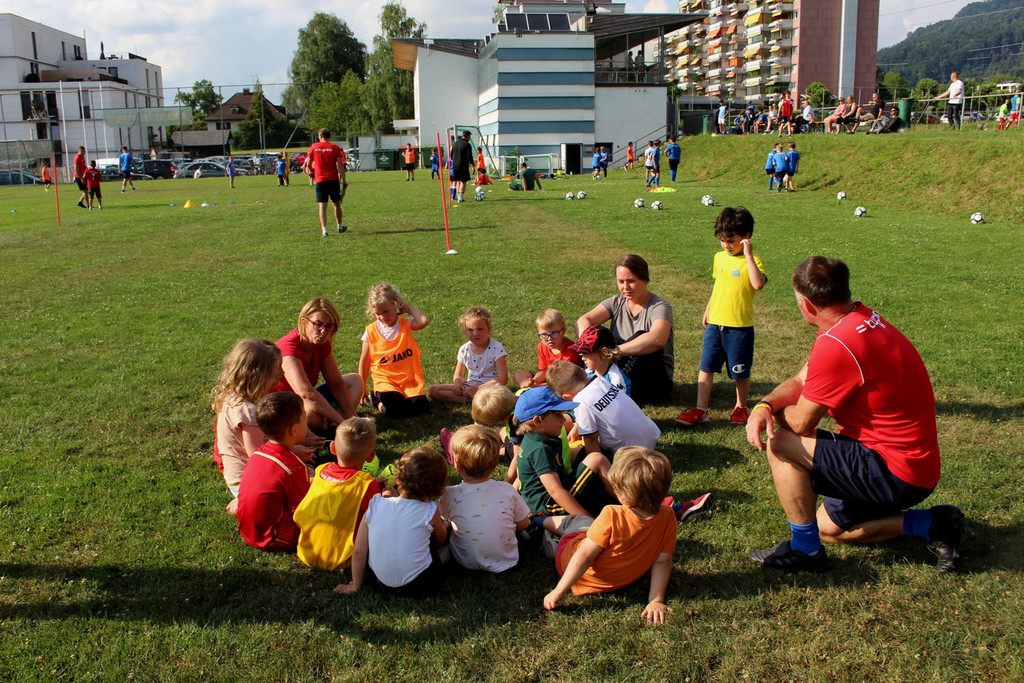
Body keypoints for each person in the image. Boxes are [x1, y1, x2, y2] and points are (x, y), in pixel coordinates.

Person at [745, 255, 963, 573]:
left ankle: (806, 553)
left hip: (894, 469)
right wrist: (765, 405)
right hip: (915, 465)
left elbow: (802, 423)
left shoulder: (839, 344)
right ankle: (932, 522)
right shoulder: (858, 319)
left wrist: (770, 418)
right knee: (827, 529)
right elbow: (801, 380)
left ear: (806, 304)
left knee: (781, 442)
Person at [540, 446, 677, 623]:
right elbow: (663, 560)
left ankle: (538, 523)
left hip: (573, 567)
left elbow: (584, 557)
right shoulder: (668, 516)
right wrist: (656, 600)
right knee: (589, 529)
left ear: (621, 494)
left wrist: (558, 591)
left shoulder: (612, 514)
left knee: (579, 521)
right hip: (622, 580)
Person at [675, 207, 766, 428]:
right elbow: (719, 285)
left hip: (740, 327)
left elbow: (758, 284)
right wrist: (709, 308)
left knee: (739, 372)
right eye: (722, 240)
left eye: (731, 240)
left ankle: (740, 407)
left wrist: (747, 256)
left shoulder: (752, 260)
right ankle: (701, 410)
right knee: (706, 367)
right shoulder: (720, 258)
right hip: (716, 323)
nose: (726, 245)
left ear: (746, 237)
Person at [335, 446, 449, 597]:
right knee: (444, 538)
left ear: (398, 479)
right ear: (437, 489)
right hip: (421, 585)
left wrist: (355, 584)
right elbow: (441, 538)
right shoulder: (429, 511)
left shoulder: (375, 505)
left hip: (379, 583)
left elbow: (359, 551)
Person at [576, 254, 674, 404]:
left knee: (641, 335)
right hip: (617, 367)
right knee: (596, 332)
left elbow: (657, 339)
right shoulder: (616, 302)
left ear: (645, 279)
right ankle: (594, 382)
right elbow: (583, 320)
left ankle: (598, 384)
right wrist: (590, 345)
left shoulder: (659, 307)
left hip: (654, 380)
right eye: (621, 282)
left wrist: (614, 352)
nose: (625, 287)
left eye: (631, 281)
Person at [293, 417, 387, 571]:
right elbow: (381, 517)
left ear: (333, 448)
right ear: (371, 457)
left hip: (307, 552)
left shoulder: (320, 471)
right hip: (344, 559)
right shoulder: (365, 484)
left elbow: (343, 490)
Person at [438, 425, 530, 572]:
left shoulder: (449, 494)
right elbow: (523, 524)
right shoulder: (507, 490)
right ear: (495, 463)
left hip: (464, 562)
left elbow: (443, 523)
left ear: (457, 464)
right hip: (508, 560)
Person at [514, 387, 615, 518]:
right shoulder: (539, 449)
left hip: (553, 496)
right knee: (597, 459)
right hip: (549, 507)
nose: (563, 420)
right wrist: (587, 521)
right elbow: (555, 491)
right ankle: (631, 502)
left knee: (598, 486)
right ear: (537, 421)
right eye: (557, 415)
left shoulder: (537, 438)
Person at [212, 339, 284, 513]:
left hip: (241, 478)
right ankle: (243, 502)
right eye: (277, 368)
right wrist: (293, 454)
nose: (282, 372)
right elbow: (259, 458)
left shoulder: (235, 397)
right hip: (247, 482)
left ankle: (242, 499)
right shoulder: (248, 411)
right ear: (258, 374)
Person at [235, 392, 312, 552]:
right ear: (294, 430)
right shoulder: (293, 468)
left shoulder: (258, 454)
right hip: (274, 537)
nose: (307, 421)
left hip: (248, 530)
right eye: (304, 417)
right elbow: (304, 511)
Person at [272, 297, 361, 435]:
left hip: (304, 401)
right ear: (304, 322)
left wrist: (353, 417)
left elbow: (336, 383)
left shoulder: (322, 345)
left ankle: (333, 424)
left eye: (328, 327)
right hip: (284, 406)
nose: (323, 331)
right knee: (313, 417)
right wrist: (341, 420)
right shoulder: (289, 349)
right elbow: (305, 393)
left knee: (355, 381)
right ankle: (333, 426)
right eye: (318, 324)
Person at [547, 360, 660, 457]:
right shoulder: (599, 380)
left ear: (567, 396)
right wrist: (577, 428)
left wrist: (598, 466)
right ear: (582, 371)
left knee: (573, 453)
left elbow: (591, 440)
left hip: (631, 454)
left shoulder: (580, 400)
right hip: (650, 437)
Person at [357, 283, 431, 418]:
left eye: (386, 311)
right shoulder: (370, 331)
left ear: (396, 304)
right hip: (385, 382)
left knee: (422, 407)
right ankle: (377, 401)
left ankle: (402, 402)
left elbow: (424, 321)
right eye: (377, 314)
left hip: (408, 381)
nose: (383, 317)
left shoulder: (405, 324)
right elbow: (364, 360)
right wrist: (361, 387)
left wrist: (408, 308)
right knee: (396, 409)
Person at [429, 306, 508, 404]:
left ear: (489, 329)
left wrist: (478, 388)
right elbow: (458, 375)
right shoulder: (464, 349)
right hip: (469, 386)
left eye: (480, 329)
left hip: (489, 388)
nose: (475, 333)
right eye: (470, 330)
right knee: (433, 390)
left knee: (496, 397)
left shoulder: (496, 348)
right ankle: (470, 400)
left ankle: (477, 400)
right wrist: (458, 384)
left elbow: (502, 379)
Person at [513, 309, 582, 389]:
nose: (549, 338)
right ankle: (528, 387)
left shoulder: (571, 350)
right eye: (544, 335)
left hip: (565, 381)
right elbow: (544, 370)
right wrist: (534, 381)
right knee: (518, 374)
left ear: (563, 331)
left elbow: (565, 380)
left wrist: (539, 386)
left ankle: (533, 390)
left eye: (554, 333)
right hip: (548, 378)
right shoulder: (542, 346)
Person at [304, 127, 349, 237]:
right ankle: (339, 225)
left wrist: (311, 171)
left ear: (320, 136)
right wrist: (344, 180)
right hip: (333, 179)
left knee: (322, 205)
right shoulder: (335, 147)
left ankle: (324, 230)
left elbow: (308, 163)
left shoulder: (314, 146)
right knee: (336, 203)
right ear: (329, 136)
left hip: (320, 180)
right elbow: (340, 166)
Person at [573, 325, 630, 396]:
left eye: (587, 354)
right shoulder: (588, 372)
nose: (583, 358)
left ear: (604, 352)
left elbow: (617, 404)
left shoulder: (616, 379)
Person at [450, 130, 473, 203]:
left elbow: (451, 155)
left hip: (455, 165)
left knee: (457, 181)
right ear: (468, 136)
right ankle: (460, 198)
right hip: (463, 165)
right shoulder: (467, 144)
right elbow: (470, 156)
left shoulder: (454, 144)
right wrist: (472, 165)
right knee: (463, 182)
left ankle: (457, 196)